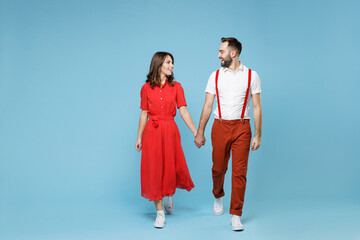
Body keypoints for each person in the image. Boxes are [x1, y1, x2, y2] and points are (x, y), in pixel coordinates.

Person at [194, 37, 262, 231]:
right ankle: (218, 194)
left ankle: (235, 214)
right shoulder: (215, 76)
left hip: (242, 127)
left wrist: (258, 134)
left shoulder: (252, 75)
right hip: (220, 126)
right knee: (218, 169)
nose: (218, 55)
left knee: (239, 173)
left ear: (233, 53)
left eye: (221, 51)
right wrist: (200, 132)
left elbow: (256, 107)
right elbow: (208, 106)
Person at [135, 52, 197, 228]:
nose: (172, 66)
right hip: (152, 132)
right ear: (159, 64)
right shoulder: (146, 88)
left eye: (172, 62)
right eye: (168, 62)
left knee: (170, 165)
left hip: (170, 130)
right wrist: (139, 137)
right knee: (155, 169)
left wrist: (195, 132)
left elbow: (183, 110)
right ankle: (160, 213)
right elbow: (144, 113)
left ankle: (169, 194)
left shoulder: (177, 87)